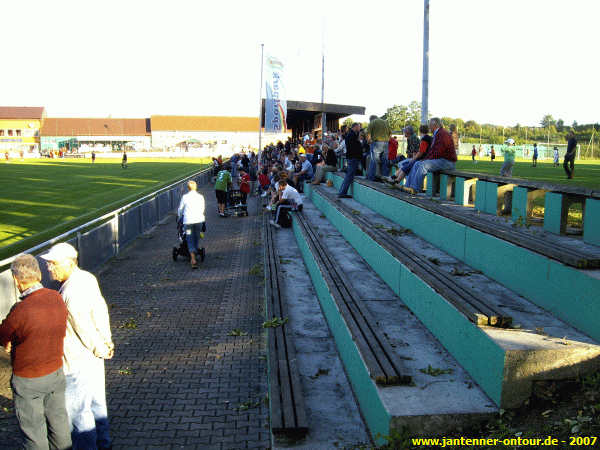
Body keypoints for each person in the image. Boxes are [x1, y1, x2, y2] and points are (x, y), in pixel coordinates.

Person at [41, 243, 114, 450]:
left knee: (79, 414)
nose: (49, 268)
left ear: (69, 263)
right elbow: (101, 311)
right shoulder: (88, 278)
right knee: (98, 406)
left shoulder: (69, 292)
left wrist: (98, 346)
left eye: (53, 264)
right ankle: (103, 443)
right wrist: (106, 342)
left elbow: (81, 325)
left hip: (76, 361)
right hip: (95, 357)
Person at [0, 254, 72, 450]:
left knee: (34, 432)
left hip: (28, 380)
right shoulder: (56, 297)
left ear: (16, 279)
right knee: (59, 423)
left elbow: (4, 333)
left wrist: (11, 341)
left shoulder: (21, 310)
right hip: (56, 372)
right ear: (39, 274)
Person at [403, 118, 457, 194]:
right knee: (417, 163)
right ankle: (407, 186)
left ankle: (415, 189)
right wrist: (425, 158)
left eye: (430, 125)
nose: (429, 127)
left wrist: (426, 159)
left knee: (423, 165)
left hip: (447, 161)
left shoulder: (442, 133)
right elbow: (433, 151)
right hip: (442, 160)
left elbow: (439, 151)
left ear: (434, 125)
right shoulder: (438, 133)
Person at [177, 180, 206, 269]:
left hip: (188, 222)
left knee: (189, 238)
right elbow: (202, 209)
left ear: (188, 188)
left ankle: (193, 259)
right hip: (198, 220)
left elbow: (180, 210)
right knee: (196, 237)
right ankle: (195, 251)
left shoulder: (185, 197)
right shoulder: (200, 197)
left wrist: (179, 216)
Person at [338, 122, 362, 198]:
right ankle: (342, 193)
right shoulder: (352, 135)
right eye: (358, 127)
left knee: (348, 175)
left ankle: (341, 192)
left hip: (351, 157)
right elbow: (355, 147)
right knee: (349, 176)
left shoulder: (350, 135)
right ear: (355, 127)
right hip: (353, 157)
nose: (359, 128)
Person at [366, 115, 391, 180]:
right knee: (385, 161)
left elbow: (368, 135)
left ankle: (371, 178)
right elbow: (390, 134)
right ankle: (385, 178)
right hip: (386, 143)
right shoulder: (385, 122)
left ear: (371, 119)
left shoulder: (372, 123)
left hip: (376, 143)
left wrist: (369, 142)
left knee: (373, 161)